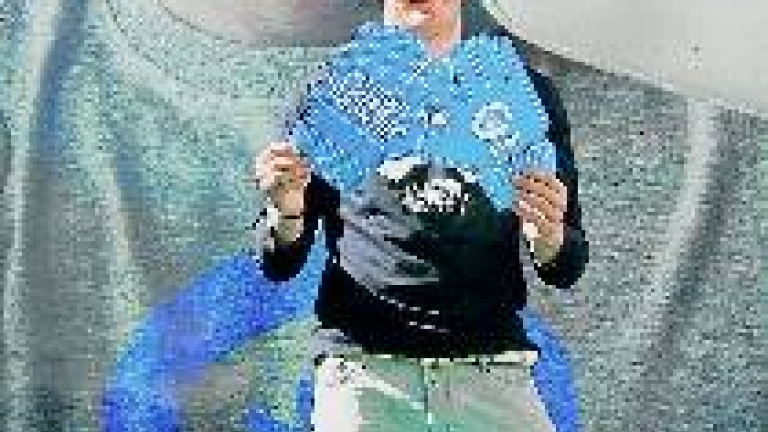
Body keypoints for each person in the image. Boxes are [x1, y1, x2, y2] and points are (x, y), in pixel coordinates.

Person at [253, 0, 589, 430]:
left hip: (493, 373)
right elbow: (278, 261)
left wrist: (548, 238)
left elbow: (566, 265)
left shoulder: (524, 95)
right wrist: (285, 214)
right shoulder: (332, 93)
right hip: (365, 377)